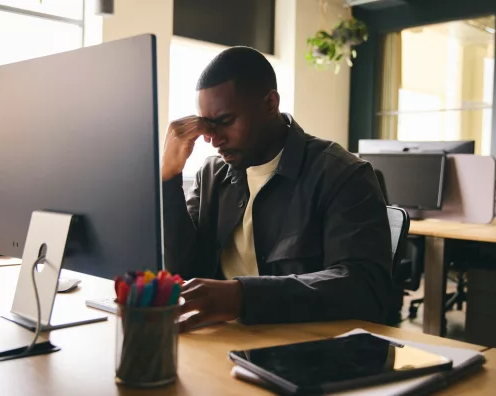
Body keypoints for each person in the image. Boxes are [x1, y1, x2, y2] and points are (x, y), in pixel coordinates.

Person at [162, 46, 392, 332]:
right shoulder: (212, 175)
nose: (214, 139)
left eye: (225, 122)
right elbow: (181, 271)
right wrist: (169, 179)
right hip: (224, 339)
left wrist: (242, 296)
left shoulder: (340, 173)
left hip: (305, 349)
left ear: (271, 104)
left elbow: (364, 288)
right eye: (208, 126)